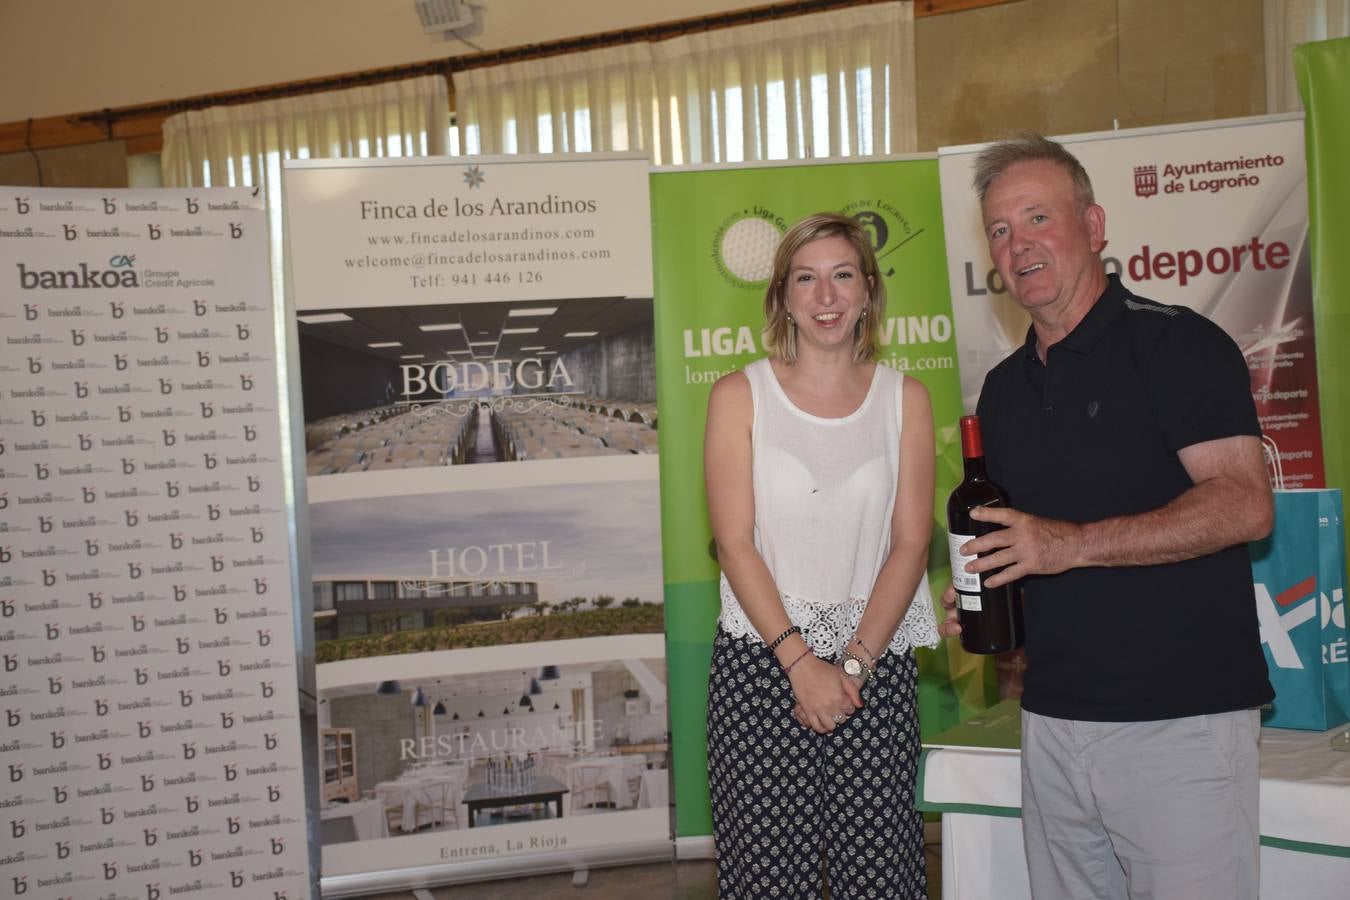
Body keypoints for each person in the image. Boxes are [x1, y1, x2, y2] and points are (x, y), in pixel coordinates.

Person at [941, 134, 1275, 900]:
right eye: (999, 229)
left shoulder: (1179, 345)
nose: (1018, 244)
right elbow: (1028, 547)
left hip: (1180, 724)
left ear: (1093, 227)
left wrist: (1071, 545)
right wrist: (994, 603)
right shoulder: (1003, 391)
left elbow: (1245, 504)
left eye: (1037, 218)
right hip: (1053, 724)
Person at [704, 212, 939, 898]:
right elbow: (733, 541)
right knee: (767, 882)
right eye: (806, 279)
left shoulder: (908, 399)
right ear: (782, 297)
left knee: (881, 879)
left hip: (874, 675)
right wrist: (802, 664)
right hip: (763, 668)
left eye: (842, 276)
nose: (826, 296)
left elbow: (911, 543)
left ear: (868, 290)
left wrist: (852, 667)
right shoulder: (738, 395)